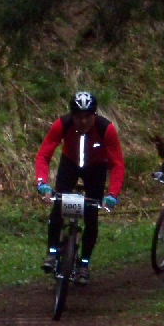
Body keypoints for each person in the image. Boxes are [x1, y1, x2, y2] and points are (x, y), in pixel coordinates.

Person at [35, 91, 125, 285]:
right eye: (78, 117)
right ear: (72, 115)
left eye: (87, 117)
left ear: (94, 115)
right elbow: (44, 154)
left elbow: (117, 164)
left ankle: (84, 264)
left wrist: (112, 195)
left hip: (96, 168)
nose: (83, 122)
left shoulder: (106, 129)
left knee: (91, 217)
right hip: (70, 164)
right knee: (58, 206)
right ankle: (51, 253)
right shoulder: (63, 124)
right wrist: (42, 182)